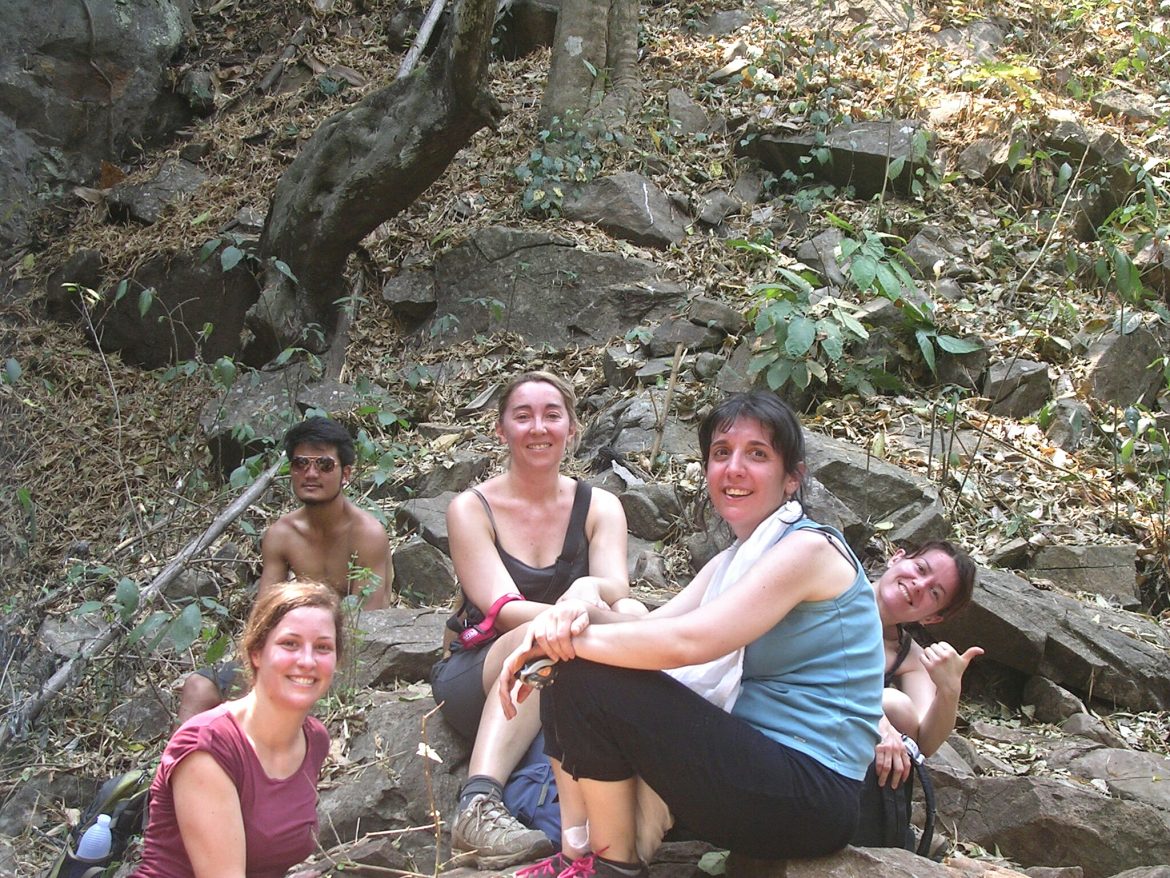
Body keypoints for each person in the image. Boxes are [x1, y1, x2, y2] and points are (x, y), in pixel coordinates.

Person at [499, 391, 886, 878]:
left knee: (582, 674)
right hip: (755, 771)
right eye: (722, 453)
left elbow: (690, 644)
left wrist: (563, 648)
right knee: (571, 668)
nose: (734, 468)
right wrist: (570, 617)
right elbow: (649, 629)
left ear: (793, 478)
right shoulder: (734, 560)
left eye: (758, 454)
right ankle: (585, 856)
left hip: (809, 792)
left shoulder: (808, 549)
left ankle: (612, 867)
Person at [431, 371, 644, 870]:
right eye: (522, 416)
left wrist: (592, 596)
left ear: (572, 428)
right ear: (501, 429)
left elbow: (616, 587)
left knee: (630, 612)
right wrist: (578, 621)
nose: (538, 427)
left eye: (552, 415)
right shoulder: (472, 508)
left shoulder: (600, 506)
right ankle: (477, 803)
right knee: (541, 634)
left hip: (568, 658)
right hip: (482, 669)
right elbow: (502, 610)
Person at [176, 416, 390, 725]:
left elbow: (370, 623)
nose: (311, 473)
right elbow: (264, 614)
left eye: (324, 465)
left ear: (346, 474)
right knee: (198, 686)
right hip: (290, 646)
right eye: (301, 464)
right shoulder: (282, 534)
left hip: (342, 654)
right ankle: (176, 771)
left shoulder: (367, 534)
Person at [132, 579, 342, 878]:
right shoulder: (208, 745)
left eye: (322, 647)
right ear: (257, 652)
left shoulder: (315, 739)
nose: (307, 661)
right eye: (290, 644)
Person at [870, 541, 982, 789]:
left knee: (896, 705)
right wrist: (874, 717)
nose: (918, 585)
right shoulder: (834, 584)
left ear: (931, 618)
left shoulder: (909, 657)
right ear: (897, 558)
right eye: (921, 569)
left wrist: (950, 690)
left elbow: (924, 741)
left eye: (935, 593)